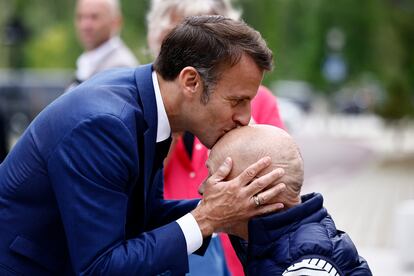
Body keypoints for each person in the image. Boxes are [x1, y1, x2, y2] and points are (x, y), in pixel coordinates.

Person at [0, 16, 287, 275]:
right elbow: (101, 268)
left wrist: (226, 210)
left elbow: (140, 217)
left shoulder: (147, 102)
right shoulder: (105, 125)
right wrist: (207, 217)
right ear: (190, 81)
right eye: (237, 100)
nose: (246, 118)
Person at [146, 0, 285, 275]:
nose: (196, 50)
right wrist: (172, 123)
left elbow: (277, 182)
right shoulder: (147, 108)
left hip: (236, 258)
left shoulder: (256, 103)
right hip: (161, 253)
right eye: (182, 36)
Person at [205, 124, 373, 276]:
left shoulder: (306, 267)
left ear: (257, 189)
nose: (202, 188)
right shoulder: (275, 244)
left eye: (214, 176)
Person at [73, 0, 138, 85]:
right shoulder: (86, 61)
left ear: (116, 22)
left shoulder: (121, 68)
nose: (85, 25)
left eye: (94, 17)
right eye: (80, 17)